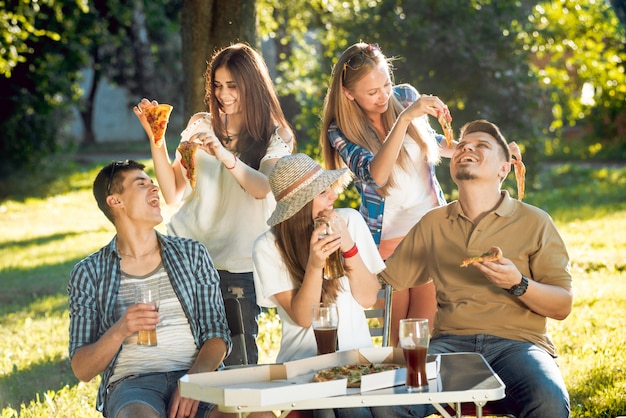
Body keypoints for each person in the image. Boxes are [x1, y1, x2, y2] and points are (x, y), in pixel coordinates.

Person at [379, 120, 572, 417]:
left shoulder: (536, 221)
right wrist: (347, 247)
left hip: (519, 345)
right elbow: (384, 282)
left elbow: (562, 306)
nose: (466, 147)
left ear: (503, 169)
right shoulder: (433, 222)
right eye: (463, 145)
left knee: (548, 401)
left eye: (481, 145)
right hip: (449, 347)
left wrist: (517, 283)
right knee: (385, 404)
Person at [133, 42, 295, 365]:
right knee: (188, 358)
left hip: (239, 264)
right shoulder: (201, 124)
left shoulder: (275, 135)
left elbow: (263, 187)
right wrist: (157, 139)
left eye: (232, 86)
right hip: (189, 258)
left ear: (252, 85)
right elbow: (173, 191)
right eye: (218, 86)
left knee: (239, 362)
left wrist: (224, 155)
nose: (224, 94)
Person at [67, 160, 232, 418]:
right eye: (141, 184)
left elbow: (218, 334)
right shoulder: (89, 273)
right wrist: (120, 329)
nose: (154, 188)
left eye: (152, 182)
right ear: (115, 201)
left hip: (197, 375)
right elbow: (82, 369)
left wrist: (193, 380)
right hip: (133, 385)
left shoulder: (192, 254)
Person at [319, 42, 456, 345]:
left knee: (423, 334)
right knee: (397, 341)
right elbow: (376, 174)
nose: (384, 96)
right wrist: (404, 119)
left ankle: (425, 387)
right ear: (348, 93)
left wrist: (475, 149)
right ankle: (398, 386)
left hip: (432, 231)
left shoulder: (405, 96)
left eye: (386, 84)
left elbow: (432, 142)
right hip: (388, 245)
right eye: (372, 92)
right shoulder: (339, 130)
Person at [253, 153, 398, 418]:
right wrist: (315, 264)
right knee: (346, 411)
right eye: (322, 192)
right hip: (303, 365)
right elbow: (303, 318)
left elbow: (367, 298)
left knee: (382, 410)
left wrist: (349, 248)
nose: (333, 196)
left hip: (359, 359)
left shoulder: (349, 221)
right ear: (301, 204)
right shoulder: (268, 246)